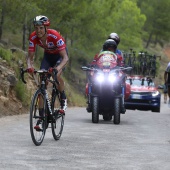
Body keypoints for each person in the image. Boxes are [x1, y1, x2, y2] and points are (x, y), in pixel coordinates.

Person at [27, 15, 69, 119]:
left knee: (56, 75)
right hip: (48, 57)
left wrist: (57, 68)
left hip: (60, 56)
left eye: (41, 28)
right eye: (36, 28)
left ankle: (63, 97)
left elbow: (65, 58)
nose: (38, 31)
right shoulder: (33, 37)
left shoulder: (54, 35)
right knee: (42, 82)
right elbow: (30, 57)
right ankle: (42, 116)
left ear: (46, 28)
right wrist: (29, 66)